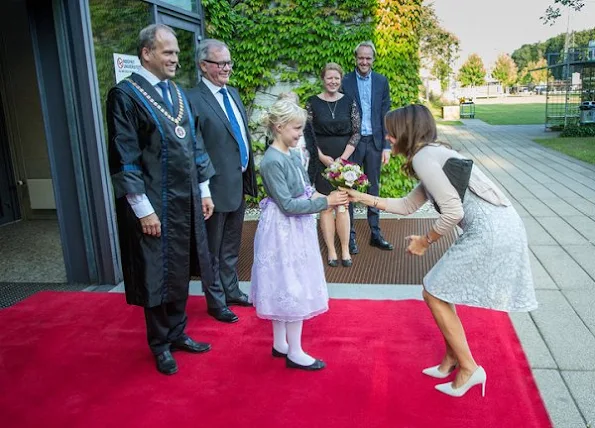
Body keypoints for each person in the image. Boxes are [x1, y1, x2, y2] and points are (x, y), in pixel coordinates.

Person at [343, 104, 538, 397]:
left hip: (490, 230)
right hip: (499, 224)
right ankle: (451, 360)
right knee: (440, 289)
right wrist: (360, 196)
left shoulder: (424, 157)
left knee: (432, 291)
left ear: (405, 131)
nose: (387, 137)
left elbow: (453, 212)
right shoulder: (432, 152)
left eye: (391, 131)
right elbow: (407, 206)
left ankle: (470, 368)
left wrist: (425, 240)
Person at [107, 24, 216, 375]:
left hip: (185, 202)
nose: (175, 58)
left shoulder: (178, 94)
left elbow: (195, 146)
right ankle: (160, 344)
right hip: (153, 205)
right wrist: (143, 210)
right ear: (147, 54)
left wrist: (204, 190)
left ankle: (179, 331)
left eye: (176, 53)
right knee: (156, 273)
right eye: (168, 52)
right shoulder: (125, 95)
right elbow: (125, 156)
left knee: (181, 267)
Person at [250, 98, 348, 371]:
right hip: (283, 229)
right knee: (290, 283)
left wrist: (330, 196)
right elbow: (289, 205)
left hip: (295, 227)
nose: (299, 135)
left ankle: (280, 343)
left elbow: (305, 189)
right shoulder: (271, 161)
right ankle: (294, 351)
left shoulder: (292, 154)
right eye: (296, 129)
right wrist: (325, 203)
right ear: (279, 127)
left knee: (288, 281)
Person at [187, 39, 258, 323]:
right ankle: (215, 301)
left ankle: (230, 290)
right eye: (220, 63)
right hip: (213, 190)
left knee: (231, 245)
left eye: (229, 62)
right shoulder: (192, 99)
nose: (227, 68)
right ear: (203, 66)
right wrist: (204, 187)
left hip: (236, 184)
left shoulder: (234, 94)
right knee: (212, 250)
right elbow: (196, 147)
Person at [304, 63, 360, 268]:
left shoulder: (349, 102)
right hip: (321, 161)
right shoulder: (311, 103)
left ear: (340, 79)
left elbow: (356, 132)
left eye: (336, 78)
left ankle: (345, 248)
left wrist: (343, 159)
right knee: (326, 206)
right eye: (329, 78)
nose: (333, 82)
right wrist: (321, 156)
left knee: (343, 206)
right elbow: (307, 133)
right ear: (323, 79)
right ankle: (331, 250)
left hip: (345, 163)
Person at [342, 41, 393, 254]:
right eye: (361, 58)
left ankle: (375, 233)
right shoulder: (345, 81)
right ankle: (350, 235)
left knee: (373, 188)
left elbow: (386, 115)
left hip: (374, 142)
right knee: (349, 189)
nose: (364, 61)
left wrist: (387, 145)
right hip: (353, 145)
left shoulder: (381, 82)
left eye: (368, 58)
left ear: (373, 59)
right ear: (356, 58)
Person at [277, 92, 310, 170]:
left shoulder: (305, 124)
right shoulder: (277, 127)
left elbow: (312, 148)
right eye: (287, 105)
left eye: (293, 105)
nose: (290, 108)